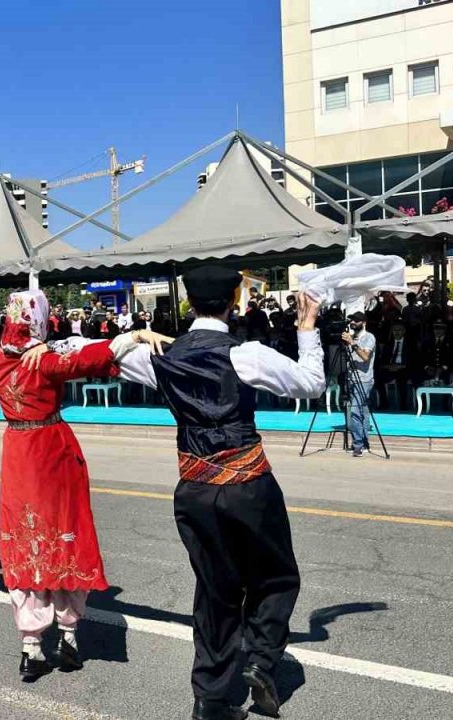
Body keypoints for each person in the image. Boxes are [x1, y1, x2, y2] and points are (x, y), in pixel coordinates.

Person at [0, 290, 167, 682]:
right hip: (54, 448)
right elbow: (99, 354)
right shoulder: (44, 358)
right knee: (66, 533)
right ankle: (68, 637)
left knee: (25, 537)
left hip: (18, 452)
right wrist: (138, 335)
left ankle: (30, 646)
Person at [111, 266, 325, 720]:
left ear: (189, 303)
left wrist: (137, 334)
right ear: (235, 299)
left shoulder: (161, 356)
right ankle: (263, 663)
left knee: (215, 591)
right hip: (248, 484)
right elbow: (312, 384)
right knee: (276, 577)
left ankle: (211, 699)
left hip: (193, 489)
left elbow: (113, 355)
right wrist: (307, 328)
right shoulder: (244, 353)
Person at [341, 312, 376, 457]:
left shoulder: (369, 337)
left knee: (355, 411)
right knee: (362, 411)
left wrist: (352, 343)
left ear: (364, 322)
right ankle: (364, 441)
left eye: (357, 320)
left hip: (364, 379)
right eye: (352, 320)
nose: (353, 323)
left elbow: (365, 357)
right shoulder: (351, 337)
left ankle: (358, 445)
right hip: (351, 378)